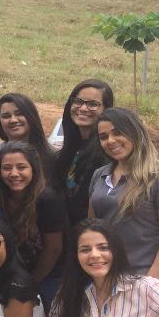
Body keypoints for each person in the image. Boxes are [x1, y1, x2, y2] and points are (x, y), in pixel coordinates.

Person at [89, 107, 159, 280]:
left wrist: (150, 281)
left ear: (135, 132)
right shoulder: (99, 175)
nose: (110, 141)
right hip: (104, 277)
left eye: (118, 133)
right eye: (103, 137)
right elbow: (92, 226)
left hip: (142, 277)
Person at [0, 142, 68, 309]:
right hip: (12, 272)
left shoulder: (47, 199)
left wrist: (30, 283)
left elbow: (53, 249)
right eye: (7, 168)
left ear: (33, 169)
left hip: (48, 274)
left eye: (21, 167)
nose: (14, 173)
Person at [55, 78, 114, 224]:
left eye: (93, 104)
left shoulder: (108, 154)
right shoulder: (68, 150)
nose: (83, 108)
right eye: (78, 101)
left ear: (106, 110)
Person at [0, 93, 56, 180]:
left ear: (31, 116)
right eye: (6, 116)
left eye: (19, 114)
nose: (13, 120)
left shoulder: (52, 156)